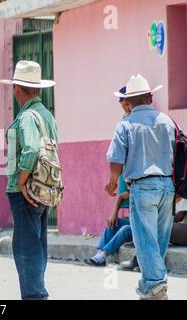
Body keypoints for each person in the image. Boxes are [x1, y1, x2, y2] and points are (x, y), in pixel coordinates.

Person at [106, 75, 176, 300]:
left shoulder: (125, 124)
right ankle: (151, 287)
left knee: (145, 241)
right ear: (150, 97)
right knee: (158, 241)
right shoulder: (166, 120)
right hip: (167, 185)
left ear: (129, 101)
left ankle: (155, 286)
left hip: (143, 187)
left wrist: (113, 181)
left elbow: (116, 159)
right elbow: (178, 155)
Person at [0, 60, 57, 300]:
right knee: (37, 243)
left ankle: (35, 295)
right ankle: (36, 292)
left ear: (17, 89)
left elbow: (31, 149)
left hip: (25, 190)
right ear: (39, 89)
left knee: (25, 248)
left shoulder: (25, 118)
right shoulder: (46, 115)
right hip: (44, 188)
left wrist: (21, 181)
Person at [85, 87, 133, 267]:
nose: (126, 107)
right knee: (114, 223)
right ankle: (99, 253)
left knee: (128, 227)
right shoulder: (123, 121)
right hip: (126, 177)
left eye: (128, 104)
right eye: (123, 105)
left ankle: (103, 253)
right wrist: (114, 183)